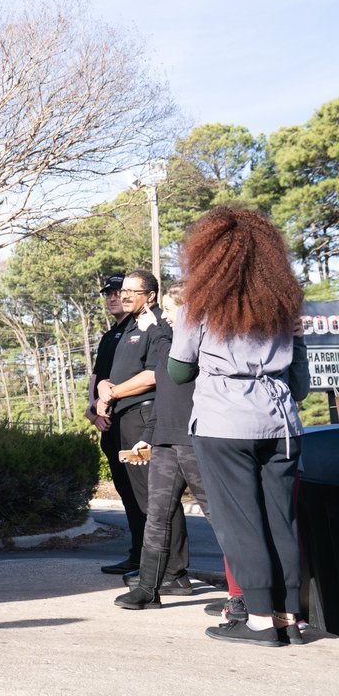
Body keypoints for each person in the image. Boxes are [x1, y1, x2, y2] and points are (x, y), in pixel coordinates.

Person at [169, 206, 309, 647]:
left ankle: (261, 622)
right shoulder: (283, 303)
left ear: (207, 254)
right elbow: (299, 382)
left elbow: (176, 371)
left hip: (224, 423)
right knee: (281, 521)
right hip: (282, 422)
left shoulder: (200, 306)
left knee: (241, 524)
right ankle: (291, 618)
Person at [114, 283, 211, 609]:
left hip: (195, 440)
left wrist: (153, 323)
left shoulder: (201, 343)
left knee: (219, 516)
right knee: (157, 516)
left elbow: (183, 373)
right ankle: (147, 590)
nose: (165, 316)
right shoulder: (166, 342)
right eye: (164, 311)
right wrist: (149, 436)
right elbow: (164, 398)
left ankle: (244, 596)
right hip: (166, 442)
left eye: (170, 310)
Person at [95, 270, 189, 580]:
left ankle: (173, 572)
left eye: (131, 291)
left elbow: (155, 374)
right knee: (136, 497)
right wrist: (102, 393)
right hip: (122, 419)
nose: (123, 295)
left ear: (150, 296)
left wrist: (116, 392)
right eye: (122, 290)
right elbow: (111, 376)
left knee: (158, 500)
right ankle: (145, 560)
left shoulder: (159, 326)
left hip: (146, 418)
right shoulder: (127, 327)